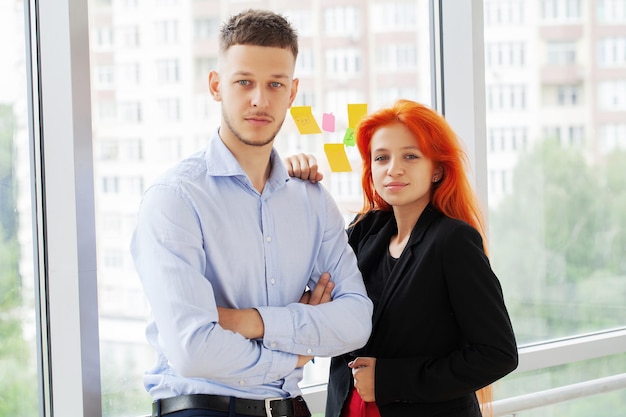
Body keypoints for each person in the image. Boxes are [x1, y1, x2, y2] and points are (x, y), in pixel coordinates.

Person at [130, 9, 373, 417]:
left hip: (290, 409)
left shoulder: (312, 201)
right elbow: (193, 350)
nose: (260, 99)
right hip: (201, 409)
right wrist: (295, 355)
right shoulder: (174, 198)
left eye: (275, 84)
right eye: (244, 82)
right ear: (215, 85)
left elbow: (355, 321)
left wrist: (250, 322)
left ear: (292, 92)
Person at [285, 99, 518, 417]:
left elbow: (498, 354)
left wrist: (389, 380)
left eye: (410, 155)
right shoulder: (364, 230)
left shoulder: (454, 241)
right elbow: (306, 283)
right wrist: (290, 189)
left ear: (436, 168)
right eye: (381, 157)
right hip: (348, 408)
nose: (393, 168)